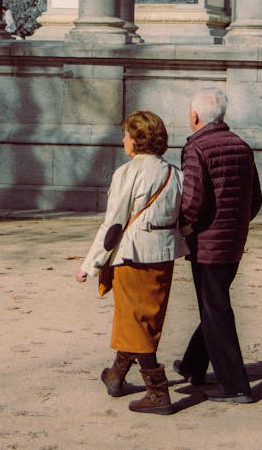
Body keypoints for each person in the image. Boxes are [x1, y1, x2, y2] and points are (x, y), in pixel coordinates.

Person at [75, 111, 188, 415]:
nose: (123, 139)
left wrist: (90, 264)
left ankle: (158, 392)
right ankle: (116, 376)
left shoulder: (127, 173)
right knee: (143, 317)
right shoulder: (176, 174)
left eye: (126, 134)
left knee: (136, 321)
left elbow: (113, 226)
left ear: (137, 140)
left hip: (133, 254)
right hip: (163, 255)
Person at [174, 87, 262, 403]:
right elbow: (255, 199)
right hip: (233, 241)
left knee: (216, 310)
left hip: (208, 243)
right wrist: (235, 226)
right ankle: (193, 365)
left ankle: (236, 385)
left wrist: (182, 228)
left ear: (195, 116)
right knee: (213, 306)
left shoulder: (196, 147)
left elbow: (193, 202)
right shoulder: (241, 146)